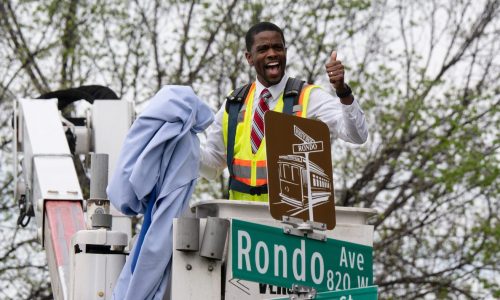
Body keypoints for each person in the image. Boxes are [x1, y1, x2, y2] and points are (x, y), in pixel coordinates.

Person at [200, 21, 368, 202]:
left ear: (285, 52)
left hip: (290, 221)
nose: (272, 54)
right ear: (249, 58)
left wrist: (343, 91)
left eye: (278, 48)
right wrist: (182, 143)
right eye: (263, 49)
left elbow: (357, 135)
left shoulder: (307, 96)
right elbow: (212, 168)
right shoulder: (233, 103)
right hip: (242, 220)